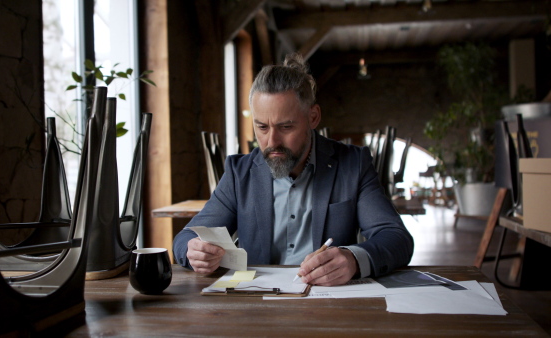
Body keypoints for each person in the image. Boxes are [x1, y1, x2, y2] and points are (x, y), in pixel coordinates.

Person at [173, 53, 413, 286]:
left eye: (286, 126)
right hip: (256, 306)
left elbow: (396, 238)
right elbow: (184, 239)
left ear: (313, 117)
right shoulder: (239, 173)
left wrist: (354, 259)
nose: (272, 141)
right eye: (262, 127)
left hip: (326, 303)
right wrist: (194, 251)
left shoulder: (353, 164)